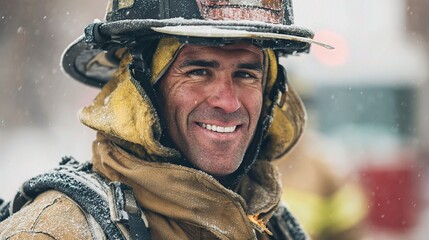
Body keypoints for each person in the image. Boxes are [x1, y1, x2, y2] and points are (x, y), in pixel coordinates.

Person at [0, 0, 331, 239]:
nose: (228, 102)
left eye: (246, 74)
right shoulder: (56, 231)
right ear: (141, 93)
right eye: (199, 71)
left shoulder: (275, 226)